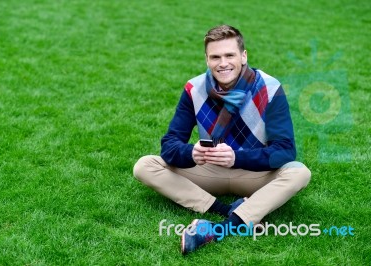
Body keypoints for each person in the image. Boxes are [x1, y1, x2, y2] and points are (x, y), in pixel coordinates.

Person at [133, 25, 311, 254]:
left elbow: (285, 151)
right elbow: (170, 143)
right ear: (207, 59)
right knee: (145, 166)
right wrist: (191, 153)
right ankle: (230, 210)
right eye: (215, 57)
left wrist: (236, 157)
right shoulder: (193, 88)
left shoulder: (270, 87)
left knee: (299, 172)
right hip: (210, 170)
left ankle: (219, 230)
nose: (223, 63)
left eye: (229, 55)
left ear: (243, 56)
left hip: (254, 173)